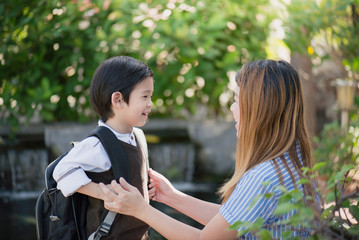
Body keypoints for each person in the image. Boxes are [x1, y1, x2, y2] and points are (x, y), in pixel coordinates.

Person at [99, 59, 321, 239]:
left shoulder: (263, 176)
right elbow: (232, 220)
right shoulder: (293, 162)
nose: (233, 108)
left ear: (259, 110)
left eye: (236, 100)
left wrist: (141, 210)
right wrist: (172, 197)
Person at [53, 56, 154, 240]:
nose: (150, 103)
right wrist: (102, 192)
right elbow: (62, 171)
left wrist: (147, 186)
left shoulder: (137, 136)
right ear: (118, 99)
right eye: (145, 96)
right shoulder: (98, 144)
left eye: (151, 96)